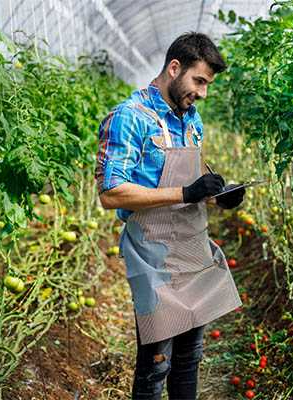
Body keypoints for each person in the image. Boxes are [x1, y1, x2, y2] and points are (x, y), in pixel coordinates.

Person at [95, 32, 244, 399]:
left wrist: (214, 196)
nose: (203, 93)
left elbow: (188, 187)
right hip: (152, 254)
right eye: (199, 81)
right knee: (156, 362)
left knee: (189, 358)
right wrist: (185, 192)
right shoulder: (130, 118)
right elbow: (111, 193)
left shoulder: (192, 122)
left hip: (191, 247)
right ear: (174, 68)